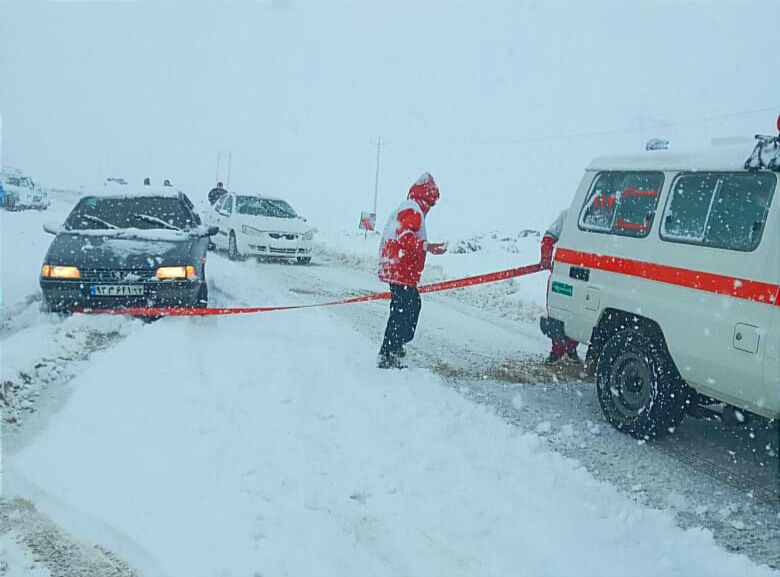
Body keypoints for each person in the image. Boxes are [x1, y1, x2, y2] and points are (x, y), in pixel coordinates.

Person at [377, 172, 447, 369]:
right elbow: (404, 237)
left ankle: (393, 347)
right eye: (431, 203)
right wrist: (427, 246)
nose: (430, 208)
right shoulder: (413, 210)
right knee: (404, 311)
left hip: (398, 268)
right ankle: (390, 351)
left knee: (406, 308)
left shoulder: (409, 207)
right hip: (400, 269)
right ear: (424, 198)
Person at [541, 209, 581, 364]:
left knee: (578, 312)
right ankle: (557, 351)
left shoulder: (603, 217)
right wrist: (546, 257)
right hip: (563, 271)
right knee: (558, 311)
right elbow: (549, 236)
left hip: (584, 275)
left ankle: (571, 348)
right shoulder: (568, 215)